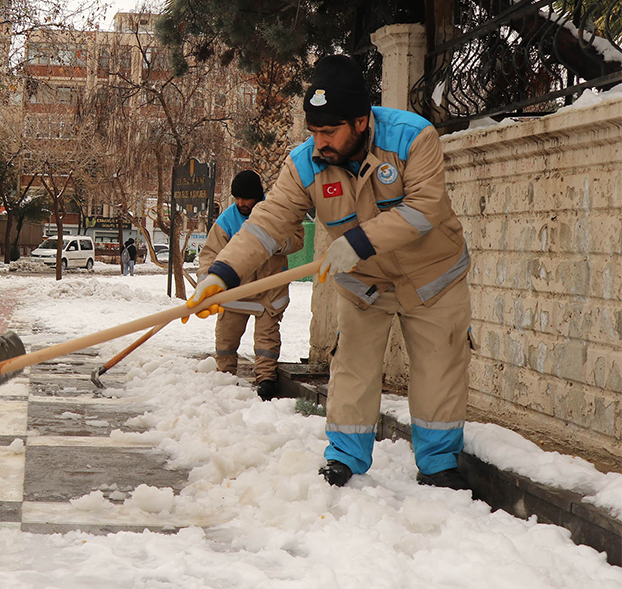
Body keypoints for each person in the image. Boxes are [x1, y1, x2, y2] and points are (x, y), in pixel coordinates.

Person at [186, 55, 473, 491]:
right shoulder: (305, 164)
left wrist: (357, 243)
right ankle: (344, 458)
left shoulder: (414, 138)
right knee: (353, 370)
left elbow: (425, 209)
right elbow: (266, 224)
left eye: (329, 131)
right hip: (364, 287)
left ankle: (438, 464)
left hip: (433, 278)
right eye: (314, 131)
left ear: (361, 122)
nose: (319, 142)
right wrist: (220, 274)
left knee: (438, 369)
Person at [196, 170, 303, 401]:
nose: (240, 203)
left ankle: (266, 381)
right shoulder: (227, 220)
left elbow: (297, 238)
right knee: (226, 340)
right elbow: (210, 254)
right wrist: (205, 282)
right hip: (236, 293)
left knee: (267, 341)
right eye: (236, 198)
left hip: (268, 292)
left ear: (258, 196)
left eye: (245, 198)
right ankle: (224, 378)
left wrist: (277, 244)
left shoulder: (276, 214)